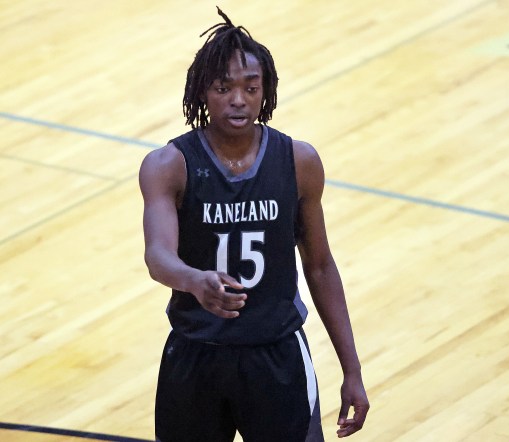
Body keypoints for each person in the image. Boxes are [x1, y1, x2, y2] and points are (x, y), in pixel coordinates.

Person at [138, 7, 369, 442]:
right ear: (203, 92)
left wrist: (352, 369)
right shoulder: (169, 165)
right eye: (223, 88)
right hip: (195, 356)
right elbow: (158, 256)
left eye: (250, 87)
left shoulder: (299, 161)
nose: (239, 99)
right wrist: (194, 280)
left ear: (267, 91)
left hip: (276, 357)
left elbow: (319, 267)